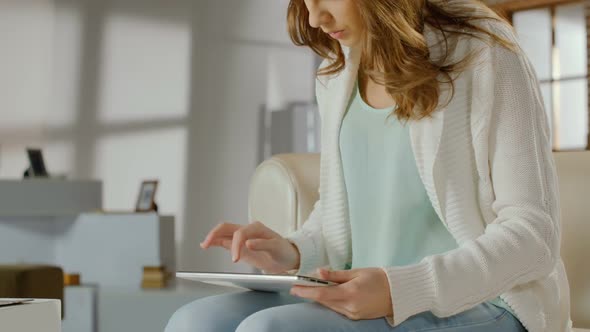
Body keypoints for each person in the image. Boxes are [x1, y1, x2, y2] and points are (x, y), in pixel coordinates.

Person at [166, 0, 573, 331]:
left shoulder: (483, 49)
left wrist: (402, 290)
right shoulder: (337, 71)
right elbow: (343, 214)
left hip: (484, 300)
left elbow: (533, 236)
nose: (315, 17)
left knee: (270, 330)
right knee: (193, 321)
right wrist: (292, 252)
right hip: (365, 296)